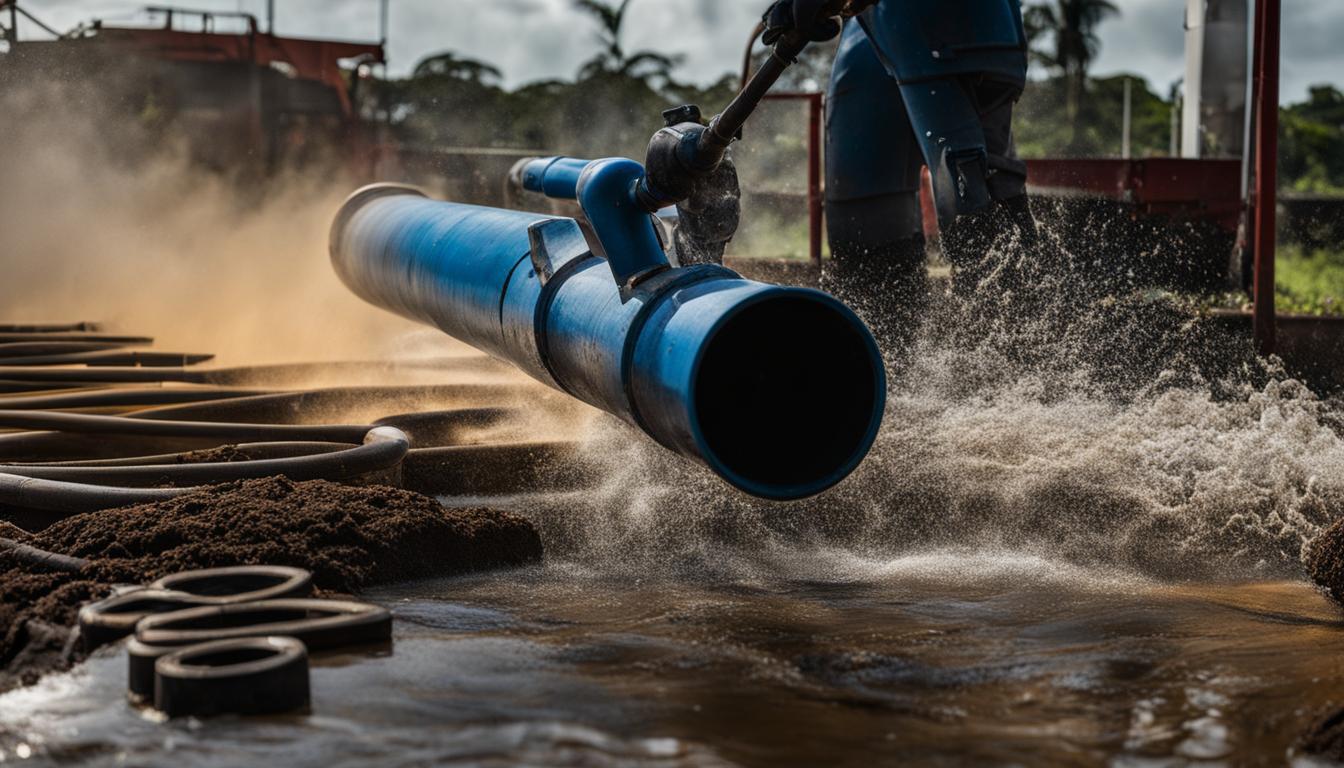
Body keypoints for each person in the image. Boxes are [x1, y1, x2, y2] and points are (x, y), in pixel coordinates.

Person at [761, 0, 1038, 345]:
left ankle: (1010, 350)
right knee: (866, 197)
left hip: (927, 24)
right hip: (882, 32)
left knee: (967, 181)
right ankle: (888, 356)